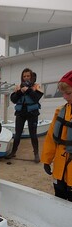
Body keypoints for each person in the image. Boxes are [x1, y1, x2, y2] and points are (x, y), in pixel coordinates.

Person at [41, 70, 72, 202]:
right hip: (59, 168)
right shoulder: (60, 111)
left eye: (68, 93)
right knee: (59, 200)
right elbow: (50, 138)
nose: (65, 97)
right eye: (63, 93)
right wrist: (46, 160)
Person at [6, 68, 43, 162]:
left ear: (31, 77)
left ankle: (36, 154)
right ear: (22, 77)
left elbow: (36, 98)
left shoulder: (36, 86)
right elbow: (13, 100)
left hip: (32, 113)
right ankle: (13, 152)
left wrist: (28, 90)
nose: (26, 78)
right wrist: (20, 91)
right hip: (21, 113)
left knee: (33, 134)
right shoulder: (18, 87)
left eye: (28, 76)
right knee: (17, 134)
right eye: (24, 76)